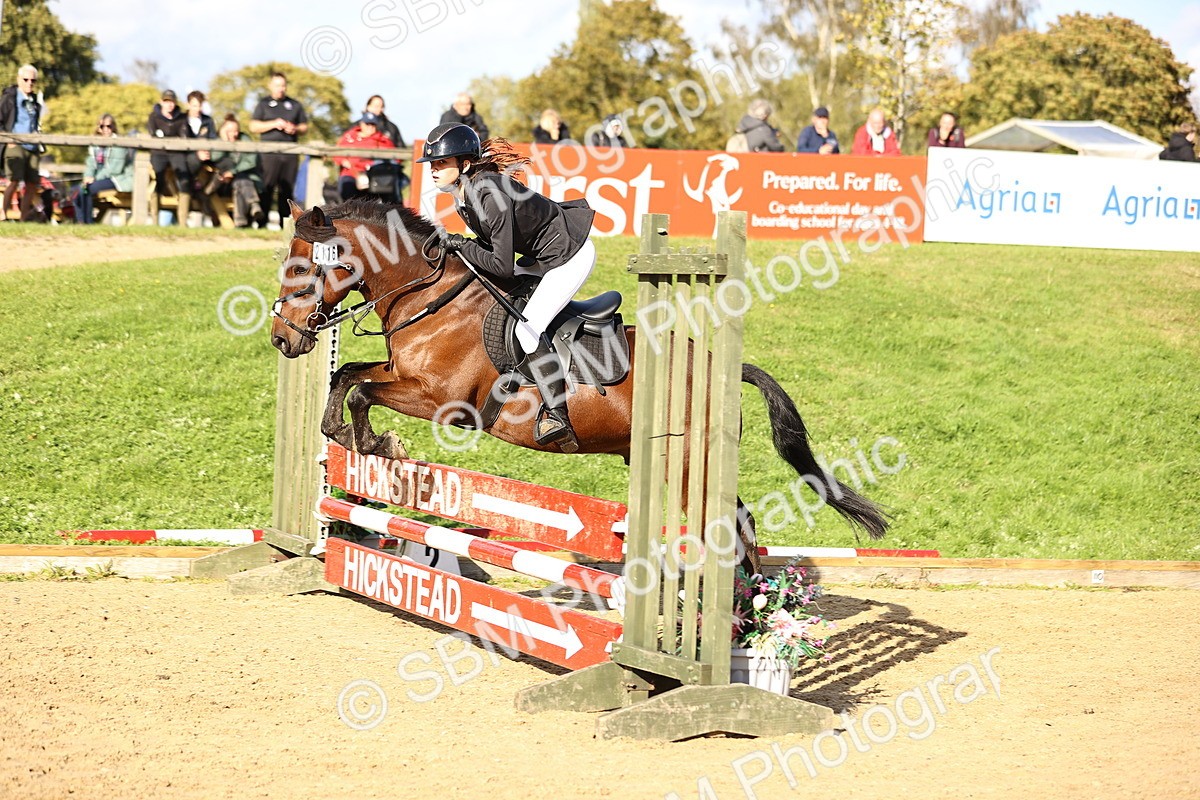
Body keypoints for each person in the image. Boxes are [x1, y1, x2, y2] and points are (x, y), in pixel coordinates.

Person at [417, 123, 596, 449]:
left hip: (569, 253)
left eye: (441, 163)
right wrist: (458, 246)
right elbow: (490, 255)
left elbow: (499, 264)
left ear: (464, 165)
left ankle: (558, 415)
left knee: (528, 328)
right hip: (540, 254)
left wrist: (457, 243)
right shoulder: (465, 194)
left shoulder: (489, 194)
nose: (433, 170)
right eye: (432, 164)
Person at [250, 72, 309, 228]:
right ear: (270, 86)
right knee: (267, 187)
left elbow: (304, 127)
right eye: (277, 85)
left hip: (289, 154)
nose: (280, 89)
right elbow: (253, 126)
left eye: (283, 85)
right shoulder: (263, 104)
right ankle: (261, 224)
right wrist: (274, 123)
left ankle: (286, 225)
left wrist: (294, 128)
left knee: (287, 190)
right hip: (268, 154)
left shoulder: (295, 105)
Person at [0, 64, 46, 222]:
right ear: (18, 80)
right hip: (14, 144)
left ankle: (23, 217)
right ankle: (3, 213)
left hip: (32, 146)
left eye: (33, 80)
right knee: (13, 181)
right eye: (26, 79)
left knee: (32, 184)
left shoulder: (35, 101)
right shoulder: (9, 98)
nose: (29, 83)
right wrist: (8, 139)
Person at [72, 114, 133, 224]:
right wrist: (88, 176)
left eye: (109, 126)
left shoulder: (119, 143)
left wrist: (95, 178)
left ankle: (88, 222)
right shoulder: (95, 144)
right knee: (77, 190)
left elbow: (115, 169)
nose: (105, 129)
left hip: (118, 179)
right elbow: (90, 164)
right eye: (102, 126)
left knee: (87, 189)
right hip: (99, 178)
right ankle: (81, 221)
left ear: (113, 127)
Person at [209, 115, 266, 228]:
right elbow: (214, 158)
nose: (234, 134)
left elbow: (251, 161)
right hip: (223, 182)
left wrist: (233, 172)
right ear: (223, 130)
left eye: (236, 131)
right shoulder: (218, 140)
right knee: (241, 181)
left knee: (240, 181)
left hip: (246, 180)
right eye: (230, 131)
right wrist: (225, 142)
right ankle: (254, 204)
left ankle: (240, 222)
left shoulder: (245, 140)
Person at [147, 89, 192, 225]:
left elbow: (184, 135)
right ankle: (154, 219)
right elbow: (153, 135)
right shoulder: (154, 117)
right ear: (162, 102)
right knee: (157, 179)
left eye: (172, 101)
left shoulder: (182, 118)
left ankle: (183, 221)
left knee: (184, 180)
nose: (169, 105)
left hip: (176, 152)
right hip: (158, 152)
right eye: (167, 101)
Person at [333, 112, 396, 201]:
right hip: (351, 173)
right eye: (367, 124)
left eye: (373, 124)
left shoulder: (382, 139)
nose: (370, 127)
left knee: (387, 197)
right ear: (361, 124)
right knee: (347, 190)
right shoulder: (349, 136)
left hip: (373, 176)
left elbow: (395, 156)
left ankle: (391, 214)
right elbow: (336, 153)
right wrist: (343, 161)